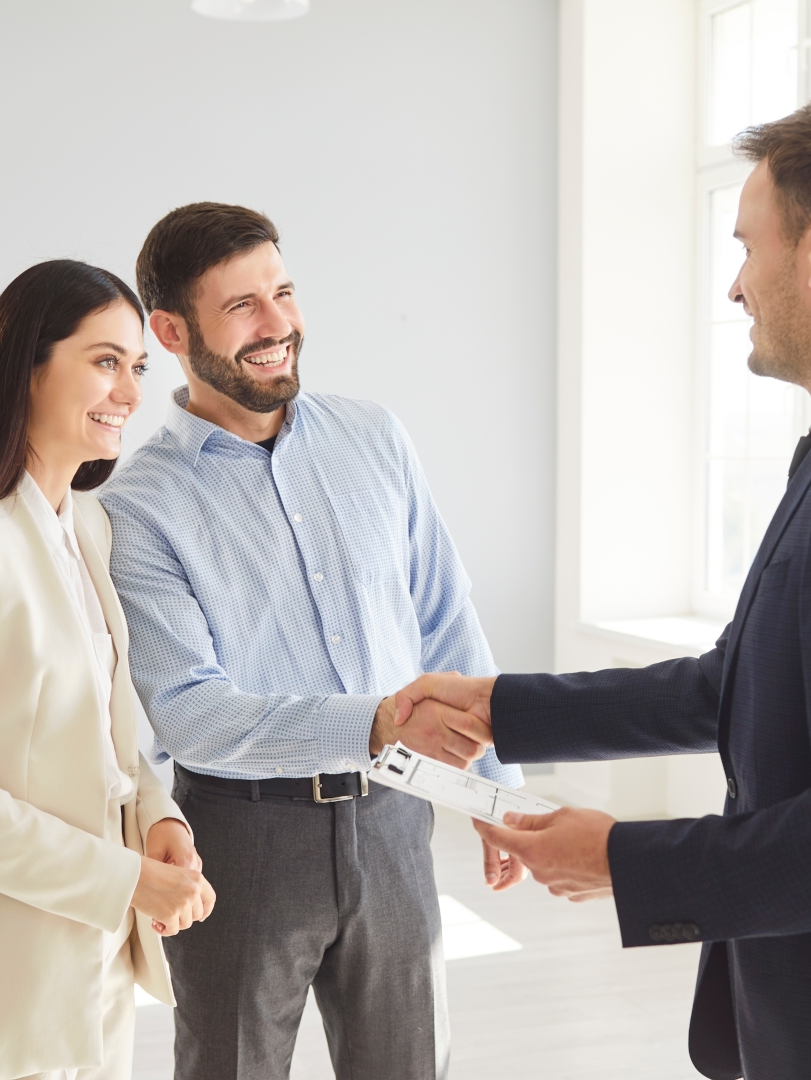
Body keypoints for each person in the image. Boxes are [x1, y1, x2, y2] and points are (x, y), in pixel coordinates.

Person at [396, 98, 811, 1079]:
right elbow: (740, 683)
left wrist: (623, 861)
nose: (735, 284)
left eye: (747, 246)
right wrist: (501, 710)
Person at [97, 202, 516, 1080]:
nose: (279, 324)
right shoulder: (139, 506)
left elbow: (444, 617)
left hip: (397, 820)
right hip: (242, 842)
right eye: (242, 305)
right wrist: (381, 721)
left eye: (282, 293)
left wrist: (493, 791)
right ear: (172, 330)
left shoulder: (374, 437)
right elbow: (193, 714)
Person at [0, 259, 218, 1080]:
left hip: (92, 971)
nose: (128, 390)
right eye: (102, 361)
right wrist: (126, 878)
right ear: (26, 368)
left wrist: (160, 821)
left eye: (136, 367)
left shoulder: (87, 526)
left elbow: (111, 742)